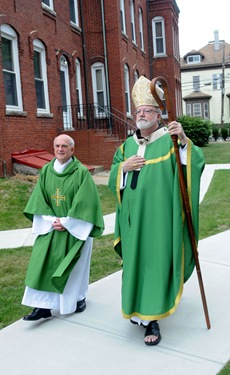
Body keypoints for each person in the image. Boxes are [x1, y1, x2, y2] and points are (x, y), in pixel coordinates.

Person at [108, 76, 205, 346]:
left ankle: (152, 320)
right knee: (134, 265)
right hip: (131, 221)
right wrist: (122, 170)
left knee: (155, 265)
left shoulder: (170, 141)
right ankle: (137, 310)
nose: (141, 114)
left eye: (147, 111)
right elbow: (114, 178)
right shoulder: (126, 146)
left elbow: (193, 165)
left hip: (159, 219)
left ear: (158, 115)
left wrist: (184, 142)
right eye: (138, 111)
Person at [22, 134, 104, 321]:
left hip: (75, 228)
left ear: (72, 150)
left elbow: (87, 203)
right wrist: (51, 219)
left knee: (74, 268)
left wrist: (67, 222)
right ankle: (42, 306)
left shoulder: (81, 172)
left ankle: (77, 299)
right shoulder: (46, 171)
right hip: (51, 226)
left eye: (64, 146)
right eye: (57, 146)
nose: (60, 149)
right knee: (40, 264)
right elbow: (39, 199)